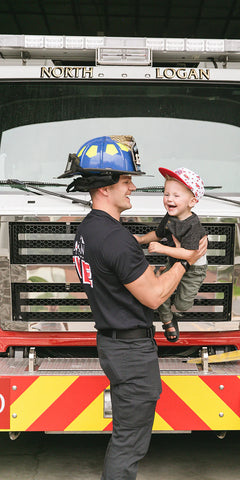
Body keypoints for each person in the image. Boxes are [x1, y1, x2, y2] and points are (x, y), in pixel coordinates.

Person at [59, 135, 207, 480]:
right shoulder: (113, 238)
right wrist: (187, 260)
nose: (133, 187)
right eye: (126, 181)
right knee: (129, 443)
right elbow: (154, 296)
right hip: (129, 349)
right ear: (104, 188)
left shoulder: (90, 230)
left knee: (126, 437)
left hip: (114, 343)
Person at [135, 167, 207, 342]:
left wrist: (161, 249)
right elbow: (158, 234)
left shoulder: (192, 225)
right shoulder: (169, 217)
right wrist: (141, 239)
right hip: (174, 263)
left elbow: (189, 254)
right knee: (158, 293)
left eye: (176, 196)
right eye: (166, 194)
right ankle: (167, 320)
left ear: (192, 201)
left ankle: (175, 306)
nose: (169, 199)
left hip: (193, 269)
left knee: (182, 305)